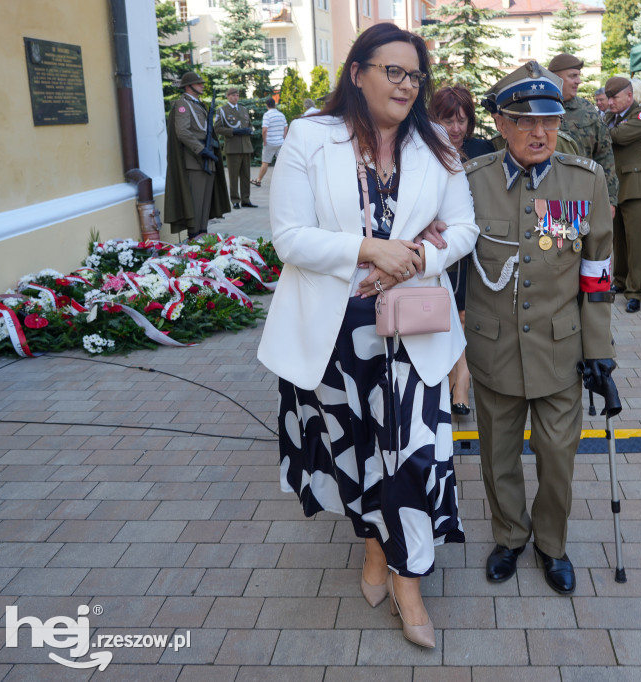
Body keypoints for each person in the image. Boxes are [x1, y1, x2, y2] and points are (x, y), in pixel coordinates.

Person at [256, 23, 479, 648]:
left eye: (415, 76)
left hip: (411, 324)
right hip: (335, 330)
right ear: (357, 72)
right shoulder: (310, 137)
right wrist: (367, 249)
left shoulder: (435, 142)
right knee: (356, 453)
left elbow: (464, 229)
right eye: (393, 71)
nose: (406, 85)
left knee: (411, 453)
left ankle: (408, 580)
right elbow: (289, 237)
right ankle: (377, 550)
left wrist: (412, 259)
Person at [462, 61, 616, 596]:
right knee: (497, 455)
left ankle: (552, 543)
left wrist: (600, 352)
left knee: (558, 458)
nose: (538, 133)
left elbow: (597, 274)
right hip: (493, 350)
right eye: (523, 122)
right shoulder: (471, 185)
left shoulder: (584, 182)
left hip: (560, 353)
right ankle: (509, 536)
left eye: (548, 121)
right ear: (500, 126)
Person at [430, 85, 495, 416]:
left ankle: (462, 380)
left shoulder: (483, 150)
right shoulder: (423, 150)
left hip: (479, 249)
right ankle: (453, 376)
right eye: (446, 120)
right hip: (443, 250)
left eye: (462, 120)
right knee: (447, 314)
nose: (455, 129)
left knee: (467, 315)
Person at [605, 75, 641, 313]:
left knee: (635, 242)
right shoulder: (609, 117)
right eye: (608, 97)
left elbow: (619, 136)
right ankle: (620, 281)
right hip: (615, 186)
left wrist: (606, 130)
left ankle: (635, 292)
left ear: (629, 95)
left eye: (614, 97)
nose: (609, 102)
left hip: (636, 185)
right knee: (618, 240)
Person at [547, 53, 619, 207]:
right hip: (543, 196)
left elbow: (605, 157)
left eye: (578, 76)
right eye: (573, 76)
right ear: (555, 77)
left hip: (581, 197)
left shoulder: (588, 111)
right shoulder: (537, 108)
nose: (578, 81)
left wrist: (610, 200)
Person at [163, 72, 229, 239]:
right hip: (195, 160)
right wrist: (201, 150)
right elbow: (183, 132)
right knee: (196, 203)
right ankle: (194, 237)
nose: (202, 85)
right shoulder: (182, 104)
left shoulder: (198, 105)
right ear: (188, 86)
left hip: (207, 158)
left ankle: (202, 235)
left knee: (206, 203)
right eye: (198, 83)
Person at [214, 86, 257, 210]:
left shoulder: (243, 109)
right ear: (228, 96)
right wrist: (233, 131)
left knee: (245, 175)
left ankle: (246, 199)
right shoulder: (222, 110)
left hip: (246, 147)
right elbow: (217, 128)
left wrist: (249, 130)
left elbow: (249, 125)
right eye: (233, 95)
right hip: (232, 147)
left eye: (237, 95)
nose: (236, 97)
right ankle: (235, 200)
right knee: (233, 176)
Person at [253, 97, 288, 187]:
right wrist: (284, 139)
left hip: (270, 143)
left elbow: (264, 130)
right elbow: (286, 127)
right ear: (275, 104)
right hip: (280, 143)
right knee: (282, 162)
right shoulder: (281, 115)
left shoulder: (267, 115)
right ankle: (285, 180)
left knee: (265, 162)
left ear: (267, 105)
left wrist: (264, 141)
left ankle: (258, 180)